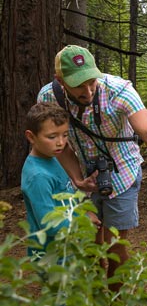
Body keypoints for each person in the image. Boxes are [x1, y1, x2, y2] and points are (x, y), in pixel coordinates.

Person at [38, 45, 147, 289]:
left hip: (122, 171)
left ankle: (117, 301)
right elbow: (57, 144)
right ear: (60, 80)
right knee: (90, 241)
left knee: (116, 245)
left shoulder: (118, 90)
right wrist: (76, 178)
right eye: (78, 85)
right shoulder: (48, 98)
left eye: (91, 81)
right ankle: (96, 299)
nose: (88, 90)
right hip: (83, 173)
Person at [21, 102, 101, 258]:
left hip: (68, 248)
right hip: (51, 255)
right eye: (52, 137)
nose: (61, 142)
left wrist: (83, 210)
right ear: (31, 137)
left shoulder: (53, 158)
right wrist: (83, 220)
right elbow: (49, 224)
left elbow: (67, 195)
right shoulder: (38, 176)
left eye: (65, 135)